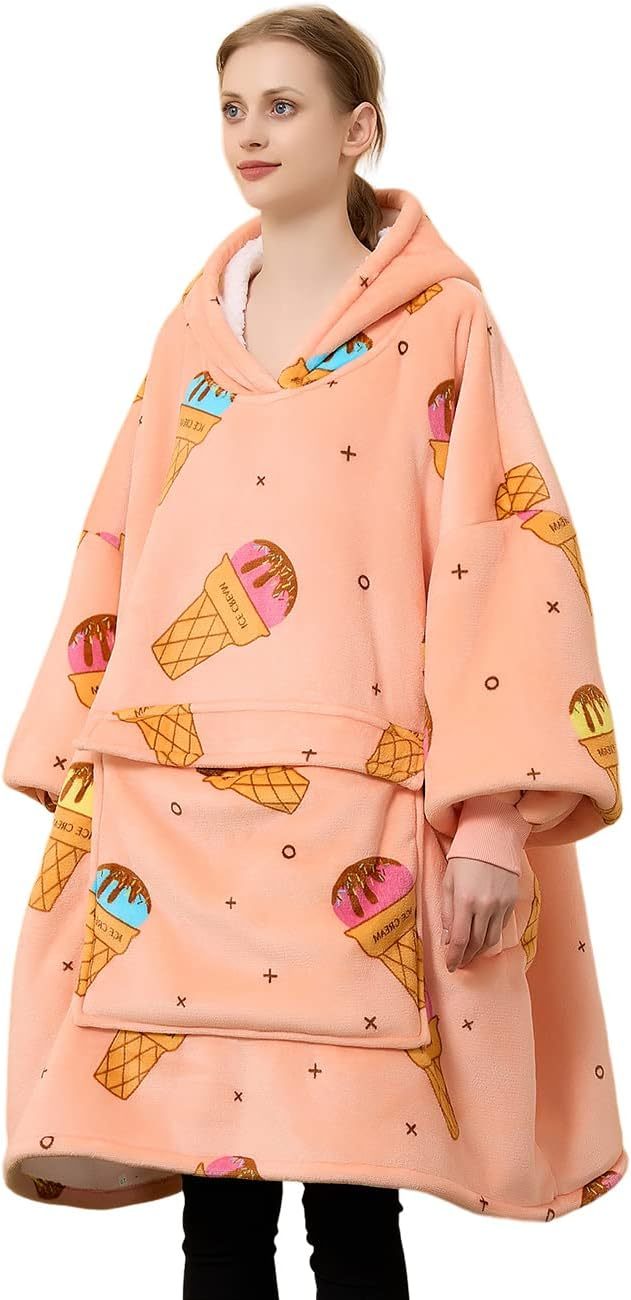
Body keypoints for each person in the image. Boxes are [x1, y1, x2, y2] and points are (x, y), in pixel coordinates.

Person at [1, 6, 626, 1300]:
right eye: (232, 107)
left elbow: (505, 558)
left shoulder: (443, 324)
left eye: (283, 106)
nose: (249, 133)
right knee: (216, 1224)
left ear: (359, 129)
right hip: (176, 817)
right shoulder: (191, 333)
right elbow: (119, 546)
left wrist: (495, 820)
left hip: (364, 815)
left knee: (353, 1208)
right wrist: (79, 770)